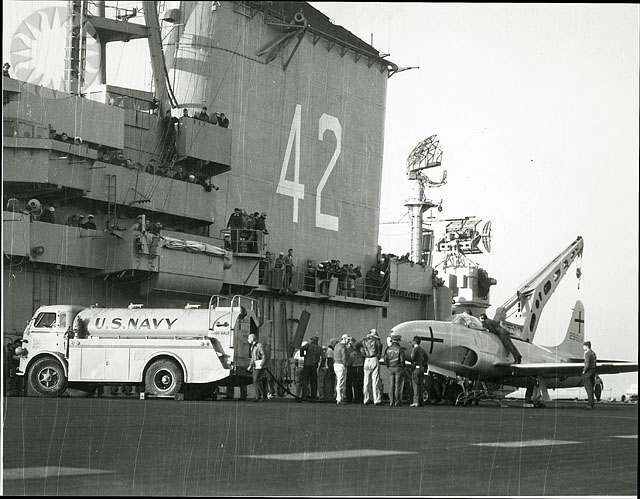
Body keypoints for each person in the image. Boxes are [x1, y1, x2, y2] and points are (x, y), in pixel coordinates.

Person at [362, 329, 383, 405]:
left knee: (366, 381)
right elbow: (379, 353)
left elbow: (358, 347)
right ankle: (376, 399)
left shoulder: (364, 341)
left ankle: (366, 399)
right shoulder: (377, 342)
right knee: (375, 380)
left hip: (366, 359)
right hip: (374, 358)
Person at [384, 333, 406, 406]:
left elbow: (385, 359)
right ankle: (397, 401)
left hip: (390, 367)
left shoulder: (388, 349)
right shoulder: (400, 349)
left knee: (391, 384)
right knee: (398, 385)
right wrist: (403, 367)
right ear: (398, 341)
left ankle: (391, 401)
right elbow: (402, 360)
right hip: (398, 368)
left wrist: (388, 366)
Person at [299, 335, 322, 402]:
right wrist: (320, 365)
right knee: (314, 382)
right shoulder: (319, 348)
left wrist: (302, 355)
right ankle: (313, 397)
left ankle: (304, 396)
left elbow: (301, 348)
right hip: (314, 366)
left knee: (305, 381)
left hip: (306, 365)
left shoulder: (308, 346)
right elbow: (323, 357)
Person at [247, 333, 267, 402]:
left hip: (260, 365)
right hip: (255, 365)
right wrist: (250, 365)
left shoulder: (259, 346)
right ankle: (258, 396)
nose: (248, 340)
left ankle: (263, 395)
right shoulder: (252, 347)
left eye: (249, 338)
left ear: (252, 339)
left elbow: (264, 355)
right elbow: (253, 357)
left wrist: (262, 364)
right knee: (255, 381)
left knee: (256, 380)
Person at [409, 336, 428, 407]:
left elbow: (412, 356)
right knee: (420, 386)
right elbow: (426, 358)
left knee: (415, 385)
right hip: (421, 368)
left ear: (414, 341)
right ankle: (421, 402)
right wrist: (423, 363)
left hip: (416, 368)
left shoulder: (415, 349)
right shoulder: (422, 349)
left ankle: (416, 402)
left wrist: (414, 361)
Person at [333, 334, 349, 405]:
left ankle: (339, 397)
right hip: (341, 365)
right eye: (347, 339)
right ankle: (339, 398)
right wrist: (345, 365)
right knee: (341, 382)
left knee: (338, 381)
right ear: (344, 339)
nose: (348, 341)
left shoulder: (336, 346)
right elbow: (344, 357)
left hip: (336, 364)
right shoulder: (343, 347)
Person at [348, 337, 365, 403]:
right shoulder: (362, 354)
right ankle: (360, 398)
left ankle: (356, 398)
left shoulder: (351, 354)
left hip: (354, 368)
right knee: (360, 384)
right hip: (360, 368)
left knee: (355, 384)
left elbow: (350, 362)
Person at [582, 340, 597, 409]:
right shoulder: (593, 353)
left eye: (584, 346)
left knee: (588, 388)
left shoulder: (587, 353)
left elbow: (587, 364)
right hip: (593, 371)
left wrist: (584, 371)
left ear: (587, 346)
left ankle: (590, 404)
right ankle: (592, 403)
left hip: (588, 372)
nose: (583, 347)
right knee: (591, 388)